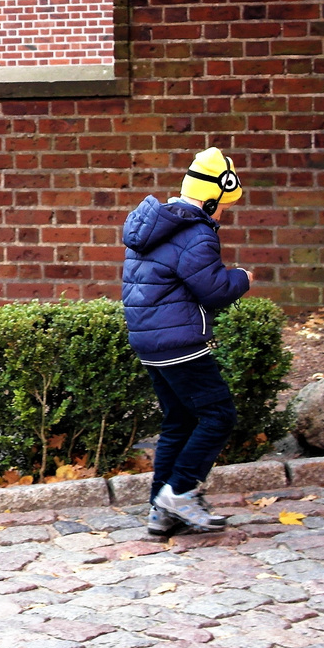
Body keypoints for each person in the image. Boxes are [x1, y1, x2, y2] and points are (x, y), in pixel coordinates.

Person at [122, 147, 252, 536]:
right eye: (224, 207)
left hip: (150, 342)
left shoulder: (156, 226)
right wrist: (242, 277)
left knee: (179, 420)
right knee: (218, 416)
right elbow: (212, 291)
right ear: (211, 198)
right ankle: (180, 492)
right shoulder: (195, 233)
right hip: (181, 343)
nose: (224, 214)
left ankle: (160, 511)